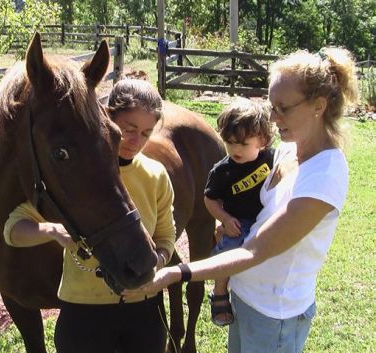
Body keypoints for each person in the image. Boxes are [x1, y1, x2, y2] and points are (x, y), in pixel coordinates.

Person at [123, 47, 359, 353]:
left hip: (275, 314)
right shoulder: (288, 149)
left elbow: (256, 250)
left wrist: (175, 272)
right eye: (272, 106)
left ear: (319, 105)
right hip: (246, 298)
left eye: (283, 108)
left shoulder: (325, 175)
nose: (273, 118)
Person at [3, 79, 176, 353]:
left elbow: (166, 236)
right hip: (83, 308)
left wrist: (157, 267)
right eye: (129, 129)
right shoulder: (80, 172)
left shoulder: (155, 175)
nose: (135, 141)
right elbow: (13, 228)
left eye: (145, 133)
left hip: (143, 304)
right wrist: (52, 231)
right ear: (107, 117)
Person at [204, 97, 275, 326]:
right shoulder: (222, 171)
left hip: (268, 217)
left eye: (243, 144)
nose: (235, 149)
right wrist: (224, 218)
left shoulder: (272, 158)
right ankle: (220, 290)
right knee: (231, 248)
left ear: (263, 140)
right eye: (229, 142)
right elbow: (210, 199)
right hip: (239, 222)